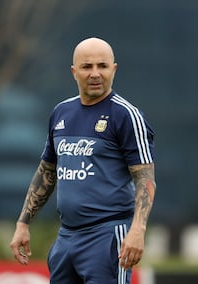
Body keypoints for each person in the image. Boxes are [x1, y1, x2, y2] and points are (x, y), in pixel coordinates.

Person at [10, 37, 156, 284]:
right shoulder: (61, 112)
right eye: (87, 67)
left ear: (114, 69)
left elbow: (145, 178)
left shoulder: (126, 115)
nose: (96, 73)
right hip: (67, 237)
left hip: (108, 237)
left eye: (103, 66)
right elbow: (47, 171)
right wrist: (23, 223)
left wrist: (137, 230)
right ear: (74, 71)